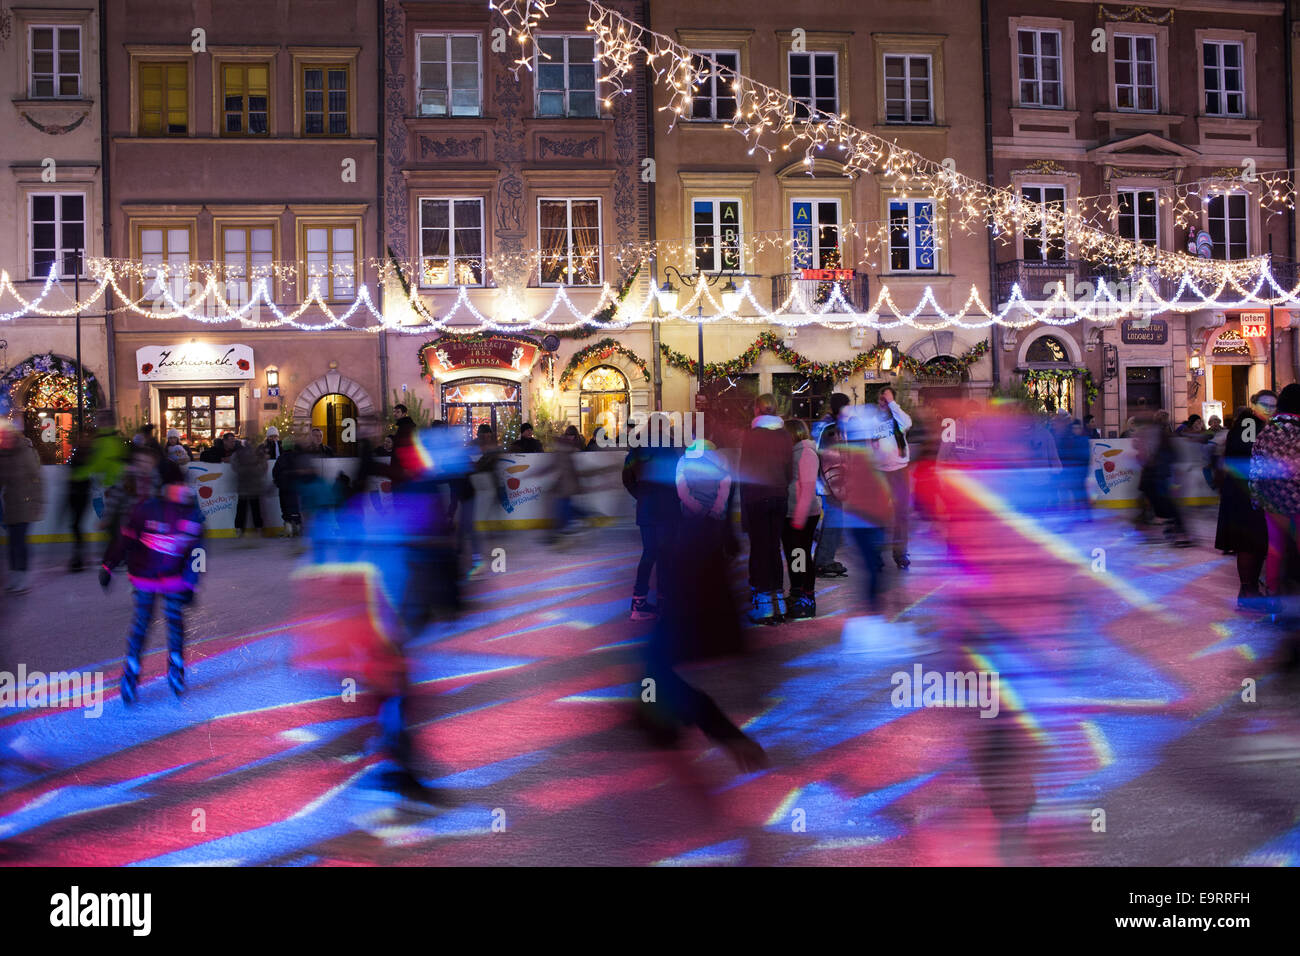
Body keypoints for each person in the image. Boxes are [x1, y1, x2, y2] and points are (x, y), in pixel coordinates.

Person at [99, 459, 205, 703]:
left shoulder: (190, 512)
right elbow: (125, 539)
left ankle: (176, 666)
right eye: (171, 484)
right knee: (142, 623)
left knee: (174, 622)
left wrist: (191, 582)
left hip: (174, 579)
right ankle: (132, 670)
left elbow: (198, 551)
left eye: (179, 484)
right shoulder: (146, 509)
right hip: (145, 577)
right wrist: (108, 565)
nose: (176, 489)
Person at [1217, 392, 1274, 610]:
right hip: (1244, 490)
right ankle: (1248, 591)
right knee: (1249, 544)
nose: (1269, 409)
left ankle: (1249, 589)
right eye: (1264, 404)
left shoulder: (1252, 423)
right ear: (1254, 405)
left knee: (1253, 543)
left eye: (1273, 405)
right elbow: (1248, 451)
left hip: (1244, 487)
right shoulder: (1250, 422)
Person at [739, 394, 793, 624]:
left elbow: (745, 472)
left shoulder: (751, 437)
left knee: (760, 550)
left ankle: (763, 605)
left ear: (757, 410)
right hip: (779, 495)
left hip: (757, 497)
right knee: (774, 548)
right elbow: (789, 470)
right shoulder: (784, 436)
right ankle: (778, 600)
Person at [622, 423, 680, 620]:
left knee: (649, 553)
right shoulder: (671, 446)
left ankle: (639, 602)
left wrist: (640, 495)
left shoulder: (637, 448)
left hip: (647, 507)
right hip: (667, 507)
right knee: (665, 554)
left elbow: (627, 476)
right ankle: (665, 601)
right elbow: (678, 476)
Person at [1250, 384, 1300, 607]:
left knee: (1276, 546)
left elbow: (1255, 466)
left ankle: (1274, 593)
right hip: (1298, 498)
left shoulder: (1267, 431)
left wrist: (1256, 497)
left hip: (1272, 500)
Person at [869, 387, 914, 569]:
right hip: (879, 473)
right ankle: (876, 555)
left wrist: (892, 403)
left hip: (899, 472)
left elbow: (908, 423)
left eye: (887, 399)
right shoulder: (871, 421)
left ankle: (900, 554)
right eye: (882, 399)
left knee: (901, 515)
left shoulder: (899, 419)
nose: (884, 403)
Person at [783, 419, 822, 619]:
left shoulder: (806, 453)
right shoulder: (795, 452)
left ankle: (805, 596)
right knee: (796, 556)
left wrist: (798, 520)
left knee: (800, 556)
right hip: (794, 513)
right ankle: (798, 593)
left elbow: (807, 490)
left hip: (803, 515)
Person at [0, 427, 44, 594]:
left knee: (19, 541)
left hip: (26, 503)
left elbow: (37, 477)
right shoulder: (4, 456)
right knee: (12, 543)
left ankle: (23, 577)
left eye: (6, 437)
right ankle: (14, 576)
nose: (4, 440)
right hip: (10, 504)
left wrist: (38, 502)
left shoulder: (25, 452)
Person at [814, 393, 850, 578]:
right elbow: (830, 460)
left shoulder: (831, 426)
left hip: (831, 484)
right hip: (830, 485)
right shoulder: (829, 428)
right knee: (834, 521)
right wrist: (838, 485)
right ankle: (823, 561)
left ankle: (824, 558)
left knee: (834, 521)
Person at [232, 437, 268, 540]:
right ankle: (255, 529)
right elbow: (263, 467)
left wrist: (246, 471)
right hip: (250, 485)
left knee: (248, 509)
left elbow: (235, 466)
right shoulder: (249, 454)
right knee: (250, 508)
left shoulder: (242, 454)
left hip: (249, 485)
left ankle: (243, 529)